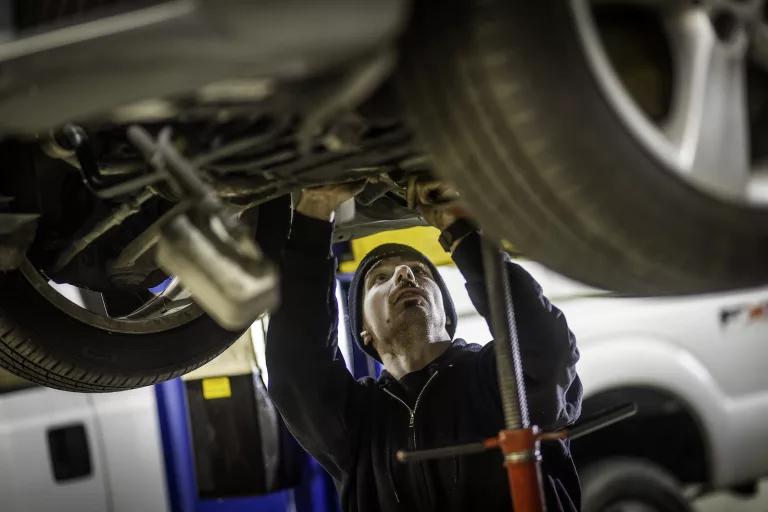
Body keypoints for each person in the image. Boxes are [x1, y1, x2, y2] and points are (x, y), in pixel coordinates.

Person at [266, 181, 582, 512]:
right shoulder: (357, 421)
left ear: (446, 314)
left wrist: (460, 231)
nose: (403, 273)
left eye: (419, 271)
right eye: (379, 279)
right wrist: (315, 211)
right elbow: (296, 363)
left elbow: (548, 348)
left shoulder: (497, 377)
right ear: (364, 332)